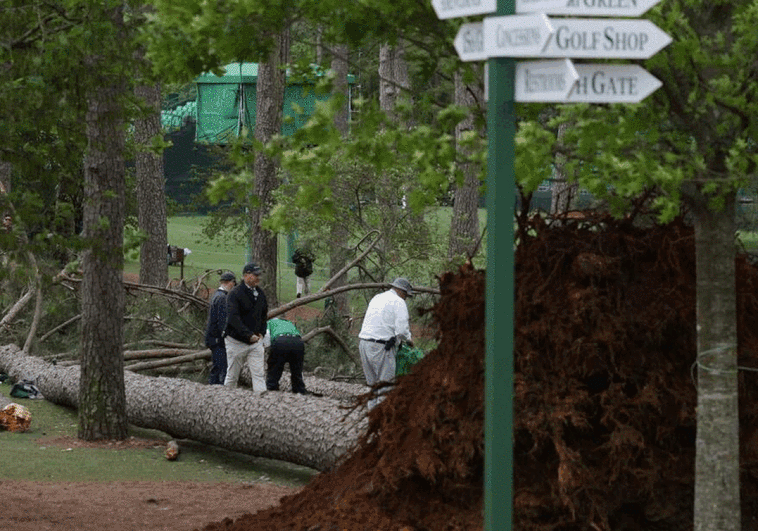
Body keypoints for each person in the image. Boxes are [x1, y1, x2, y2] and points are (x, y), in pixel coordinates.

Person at [358, 277, 415, 408]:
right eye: (406, 295)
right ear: (402, 292)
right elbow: (402, 329)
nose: (406, 298)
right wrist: (409, 340)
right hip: (381, 347)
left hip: (364, 344)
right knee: (385, 387)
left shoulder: (377, 297)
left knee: (372, 385)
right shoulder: (399, 301)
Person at [224, 262, 268, 392]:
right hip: (236, 342)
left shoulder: (260, 294)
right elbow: (233, 318)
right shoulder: (235, 293)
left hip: (255, 343)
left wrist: (261, 332)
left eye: (259, 275)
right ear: (246, 276)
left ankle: (261, 404)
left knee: (259, 375)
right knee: (232, 376)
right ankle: (225, 402)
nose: (258, 278)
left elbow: (264, 315)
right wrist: (248, 335)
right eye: (255, 275)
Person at [263, 314, 308, 394]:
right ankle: (299, 390)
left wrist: (268, 351)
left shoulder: (269, 323)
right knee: (296, 369)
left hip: (281, 341)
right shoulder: (288, 322)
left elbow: (266, 337)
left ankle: (272, 388)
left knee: (275, 367)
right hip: (298, 342)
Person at [204, 271, 236, 385]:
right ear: (228, 283)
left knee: (217, 367)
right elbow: (222, 321)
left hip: (213, 338)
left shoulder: (216, 295)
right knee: (221, 368)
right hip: (218, 340)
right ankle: (216, 391)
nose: (234, 286)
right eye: (233, 283)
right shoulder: (222, 298)